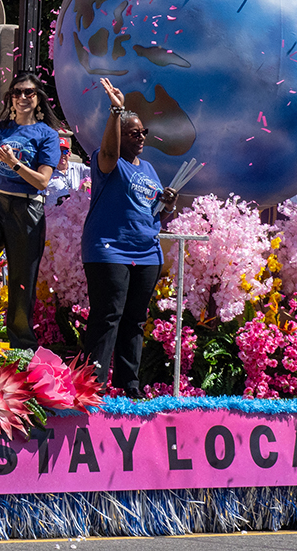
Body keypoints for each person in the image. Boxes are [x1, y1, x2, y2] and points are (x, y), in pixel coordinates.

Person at [81, 77, 177, 397]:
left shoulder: (148, 170)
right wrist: (116, 110)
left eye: (143, 132)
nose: (141, 138)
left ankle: (129, 384)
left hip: (146, 251)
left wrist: (167, 207)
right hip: (109, 249)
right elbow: (108, 149)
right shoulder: (108, 160)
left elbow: (152, 215)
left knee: (135, 319)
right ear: (119, 135)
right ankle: (93, 384)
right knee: (108, 315)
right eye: (133, 133)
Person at [0, 72, 63, 350]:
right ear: (10, 98)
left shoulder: (47, 134)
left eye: (29, 92)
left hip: (26, 206)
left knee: (21, 278)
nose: (23, 97)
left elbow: (42, 180)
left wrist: (15, 164)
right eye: (17, 92)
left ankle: (22, 346)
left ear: (38, 98)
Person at [45, 133, 91, 205]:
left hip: (77, 211)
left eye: (65, 152)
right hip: (56, 213)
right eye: (59, 152)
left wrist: (90, 183)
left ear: (69, 154)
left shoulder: (79, 168)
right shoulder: (47, 171)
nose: (62, 155)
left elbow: (98, 174)